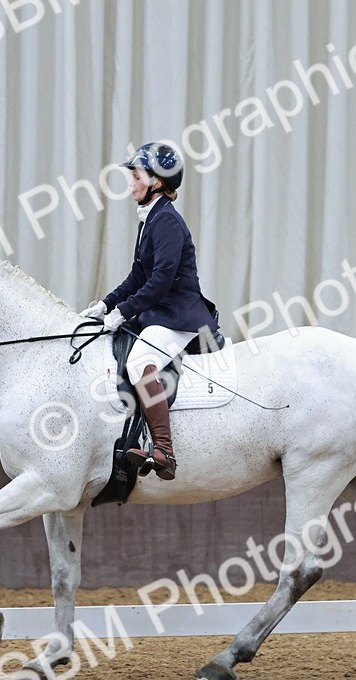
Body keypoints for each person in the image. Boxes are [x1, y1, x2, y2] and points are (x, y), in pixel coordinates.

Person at [81, 142, 219, 481]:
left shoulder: (167, 221)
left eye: (136, 175)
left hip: (179, 315)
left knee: (140, 362)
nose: (131, 183)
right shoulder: (152, 218)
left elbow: (159, 282)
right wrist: (106, 304)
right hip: (160, 312)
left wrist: (122, 312)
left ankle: (165, 450)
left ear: (157, 181)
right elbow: (138, 276)